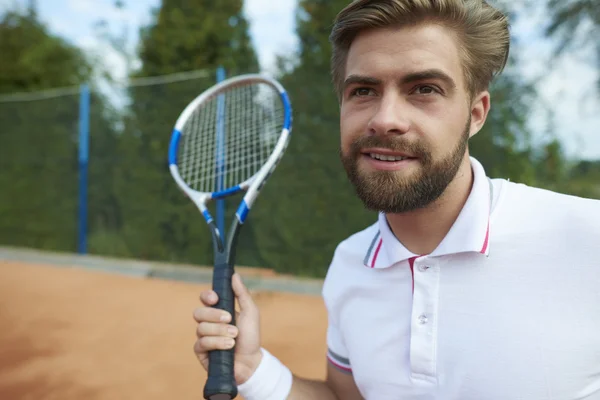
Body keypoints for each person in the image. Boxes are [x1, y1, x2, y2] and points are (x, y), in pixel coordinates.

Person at [193, 0, 600, 399]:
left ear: (476, 114)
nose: (385, 119)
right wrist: (252, 370)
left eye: (424, 89)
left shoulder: (588, 239)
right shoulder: (350, 265)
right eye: (364, 90)